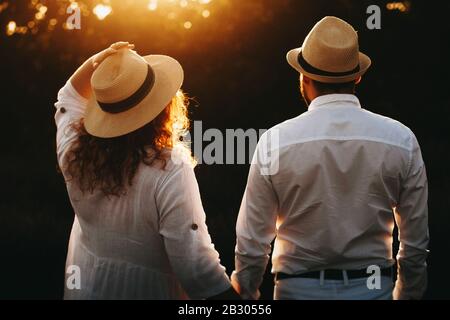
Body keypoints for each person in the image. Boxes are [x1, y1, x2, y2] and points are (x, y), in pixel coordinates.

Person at [231, 17, 429, 300]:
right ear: (357, 76)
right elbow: (415, 242)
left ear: (304, 77)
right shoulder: (401, 139)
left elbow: (252, 242)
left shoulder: (274, 141)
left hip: (296, 290)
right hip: (374, 289)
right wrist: (407, 294)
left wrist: (245, 294)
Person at [55, 42, 238, 300]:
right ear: (163, 107)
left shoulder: (73, 151)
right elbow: (196, 268)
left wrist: (103, 59)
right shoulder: (169, 168)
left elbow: (68, 96)